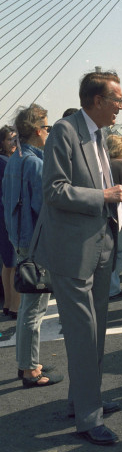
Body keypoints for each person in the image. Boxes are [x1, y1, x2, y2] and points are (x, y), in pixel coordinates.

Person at [34, 71, 122, 446]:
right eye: (117, 99)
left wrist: (113, 198)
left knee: (96, 332)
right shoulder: (64, 131)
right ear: (96, 100)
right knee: (83, 335)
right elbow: (55, 191)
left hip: (101, 244)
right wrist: (105, 196)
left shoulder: (98, 135)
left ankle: (84, 400)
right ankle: (88, 418)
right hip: (73, 251)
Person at [2, 104, 63, 387]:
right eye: (48, 127)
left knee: (30, 306)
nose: (50, 132)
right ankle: (28, 369)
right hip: (37, 244)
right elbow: (45, 209)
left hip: (20, 240)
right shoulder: (36, 163)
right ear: (38, 130)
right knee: (34, 309)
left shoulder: (15, 159)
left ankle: (30, 361)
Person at [106, 134, 122, 300]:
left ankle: (110, 282)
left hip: (108, 214)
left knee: (111, 252)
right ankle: (112, 284)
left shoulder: (104, 164)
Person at [0, 125, 20, 319]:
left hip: (3, 214)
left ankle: (8, 303)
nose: (13, 143)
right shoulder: (7, 162)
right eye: (9, 139)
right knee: (13, 263)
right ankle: (15, 306)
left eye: (15, 139)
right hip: (8, 215)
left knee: (7, 263)